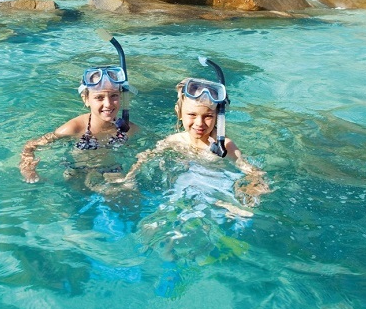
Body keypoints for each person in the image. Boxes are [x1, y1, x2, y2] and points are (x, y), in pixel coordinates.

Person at [114, 58, 270, 206]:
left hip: (219, 193)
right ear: (179, 113)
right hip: (186, 188)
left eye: (208, 116)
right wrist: (130, 176)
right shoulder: (175, 140)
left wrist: (251, 188)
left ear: (218, 117)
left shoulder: (223, 147)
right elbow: (147, 156)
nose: (199, 123)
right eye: (192, 115)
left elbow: (255, 172)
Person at [20, 38, 137, 184]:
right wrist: (28, 168)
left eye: (114, 96)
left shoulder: (129, 129)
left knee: (128, 195)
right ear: (86, 99)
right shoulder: (74, 128)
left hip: (112, 170)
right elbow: (30, 145)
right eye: (99, 98)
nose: (108, 104)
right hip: (78, 172)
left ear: (122, 97)